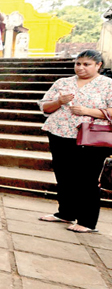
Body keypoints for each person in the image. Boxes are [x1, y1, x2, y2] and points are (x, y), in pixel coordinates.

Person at [37, 50, 112, 233]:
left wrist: (87, 111)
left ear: (98, 65)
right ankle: (65, 212)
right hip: (60, 132)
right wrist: (59, 101)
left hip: (92, 137)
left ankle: (87, 221)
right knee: (63, 175)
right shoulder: (63, 82)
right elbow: (45, 107)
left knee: (87, 178)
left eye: (87, 64)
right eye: (78, 64)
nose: (81, 68)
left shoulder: (107, 85)